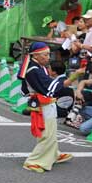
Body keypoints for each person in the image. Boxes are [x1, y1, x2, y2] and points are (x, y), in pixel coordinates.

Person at [18, 42, 76, 173]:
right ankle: (34, 161)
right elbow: (50, 87)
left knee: (51, 132)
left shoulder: (37, 67)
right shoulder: (33, 70)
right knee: (47, 134)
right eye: (45, 54)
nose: (48, 57)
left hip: (44, 103)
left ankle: (54, 154)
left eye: (48, 54)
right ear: (36, 55)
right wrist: (74, 76)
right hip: (42, 104)